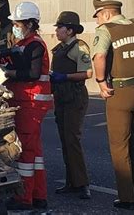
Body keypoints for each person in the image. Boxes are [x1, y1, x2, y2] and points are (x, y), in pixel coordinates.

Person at [1, 1, 54, 210]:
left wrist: (8, 73)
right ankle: (39, 196)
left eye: (18, 23)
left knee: (25, 152)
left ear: (30, 24)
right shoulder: (23, 44)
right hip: (27, 100)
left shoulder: (34, 44)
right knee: (36, 152)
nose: (15, 26)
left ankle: (24, 198)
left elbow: (32, 73)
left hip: (30, 102)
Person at [91, 0, 134, 210]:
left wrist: (101, 83)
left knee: (120, 146)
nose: (97, 20)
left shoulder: (106, 29)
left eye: (98, 15)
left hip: (120, 91)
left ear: (107, 14)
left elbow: (99, 56)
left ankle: (128, 197)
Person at [50, 11, 92, 199]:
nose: (57, 30)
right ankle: (71, 181)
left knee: (72, 140)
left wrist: (64, 77)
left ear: (70, 30)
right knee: (65, 141)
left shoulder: (79, 47)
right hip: (61, 97)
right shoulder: (60, 48)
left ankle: (82, 184)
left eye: (60, 27)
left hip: (75, 97)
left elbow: (88, 73)